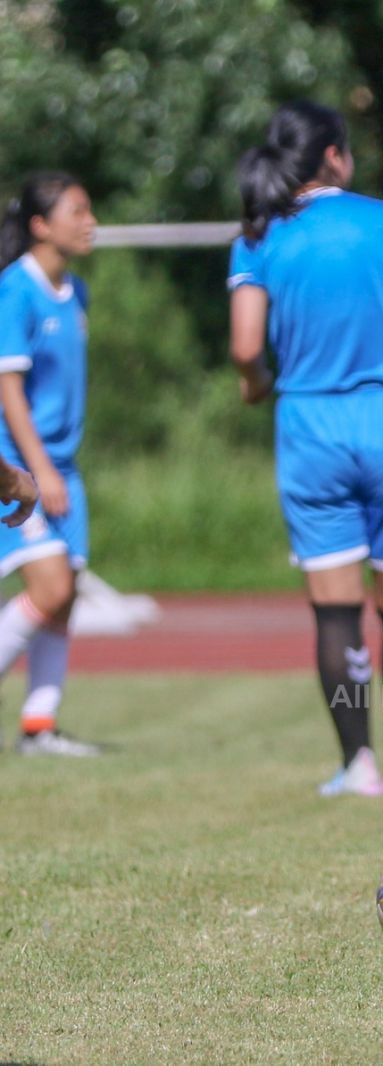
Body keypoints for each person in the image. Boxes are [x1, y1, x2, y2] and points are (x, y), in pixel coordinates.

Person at [228, 101, 383, 796]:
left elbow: (244, 348)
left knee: (334, 608)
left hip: (310, 426)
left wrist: (259, 383)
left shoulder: (258, 234)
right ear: (334, 156)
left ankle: (356, 763)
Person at [0, 173, 101, 756]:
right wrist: (39, 472)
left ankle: (40, 726)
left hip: (64, 465)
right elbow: (9, 393)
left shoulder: (77, 292)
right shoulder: (17, 292)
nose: (91, 223)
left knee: (67, 594)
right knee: (50, 586)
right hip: (20, 471)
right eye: (78, 211)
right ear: (41, 225)